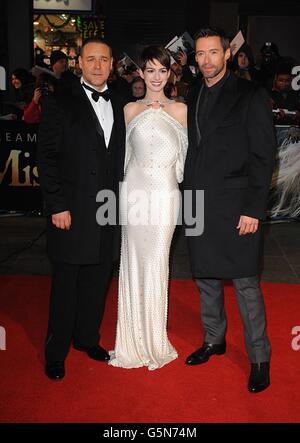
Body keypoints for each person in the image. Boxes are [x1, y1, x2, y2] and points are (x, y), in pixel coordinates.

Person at [183, 27, 277, 393]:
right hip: (199, 203)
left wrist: (254, 209)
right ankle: (214, 339)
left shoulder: (250, 93)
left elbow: (263, 155)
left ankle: (259, 358)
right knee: (205, 277)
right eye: (200, 54)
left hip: (238, 207)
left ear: (227, 54)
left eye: (213, 53)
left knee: (246, 283)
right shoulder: (192, 94)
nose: (206, 60)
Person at [37, 38, 125, 380]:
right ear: (80, 63)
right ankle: (55, 352)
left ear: (113, 62)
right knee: (65, 286)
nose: (98, 65)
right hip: (70, 211)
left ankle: (87, 338)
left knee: (97, 280)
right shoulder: (59, 101)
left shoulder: (121, 102)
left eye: (104, 59)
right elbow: (46, 157)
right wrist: (56, 204)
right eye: (91, 59)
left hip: (107, 210)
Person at [109, 46, 188, 370]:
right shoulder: (129, 109)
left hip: (165, 195)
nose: (156, 77)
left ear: (169, 74)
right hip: (135, 195)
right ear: (141, 72)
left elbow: (184, 162)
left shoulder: (181, 110)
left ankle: (154, 338)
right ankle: (131, 338)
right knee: (133, 262)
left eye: (162, 70)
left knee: (157, 261)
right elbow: (124, 159)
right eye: (150, 70)